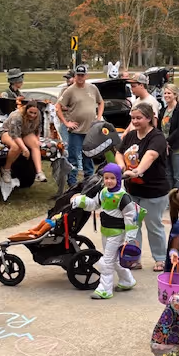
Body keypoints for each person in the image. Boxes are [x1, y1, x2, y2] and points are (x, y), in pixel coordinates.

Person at [71, 163, 143, 299]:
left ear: (118, 178)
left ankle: (105, 289)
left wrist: (130, 237)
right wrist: (81, 201)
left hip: (117, 234)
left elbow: (131, 217)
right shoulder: (103, 193)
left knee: (107, 261)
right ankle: (127, 281)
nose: (109, 181)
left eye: (112, 178)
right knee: (114, 260)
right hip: (106, 232)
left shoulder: (123, 197)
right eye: (106, 178)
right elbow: (93, 204)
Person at [116, 103, 169, 272]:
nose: (135, 121)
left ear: (149, 118)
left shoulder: (157, 137)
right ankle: (134, 257)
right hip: (133, 190)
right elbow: (119, 151)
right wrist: (122, 167)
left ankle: (160, 258)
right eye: (133, 118)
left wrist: (138, 171)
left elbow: (151, 155)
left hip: (153, 191)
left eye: (139, 118)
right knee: (133, 226)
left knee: (154, 225)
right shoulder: (130, 135)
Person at [55, 64, 104, 187]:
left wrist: (98, 118)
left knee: (88, 155)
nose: (80, 77)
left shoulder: (93, 88)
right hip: (76, 131)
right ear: (75, 76)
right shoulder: (70, 90)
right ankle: (72, 181)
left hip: (90, 130)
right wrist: (66, 123)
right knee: (73, 157)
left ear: (86, 75)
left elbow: (101, 102)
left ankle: (89, 179)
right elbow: (58, 107)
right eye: (78, 75)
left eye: (83, 75)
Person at [0, 100, 46, 183]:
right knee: (16, 147)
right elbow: (15, 135)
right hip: (9, 132)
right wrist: (25, 149)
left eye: (35, 113)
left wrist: (37, 139)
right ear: (26, 109)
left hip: (25, 132)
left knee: (35, 144)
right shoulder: (17, 116)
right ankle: (6, 169)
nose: (32, 115)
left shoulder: (38, 114)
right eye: (30, 112)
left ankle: (39, 172)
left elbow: (38, 128)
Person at [158, 84, 179, 188]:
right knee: (168, 175)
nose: (166, 95)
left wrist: (167, 141)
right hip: (165, 148)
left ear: (175, 95)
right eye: (165, 93)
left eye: (169, 93)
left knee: (177, 175)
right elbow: (159, 128)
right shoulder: (163, 111)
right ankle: (170, 199)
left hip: (178, 148)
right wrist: (162, 142)